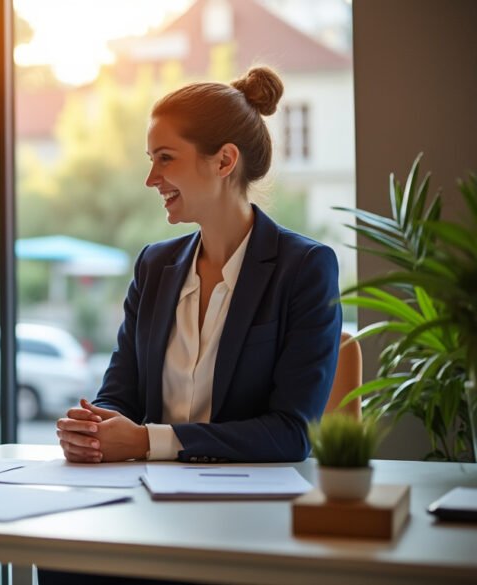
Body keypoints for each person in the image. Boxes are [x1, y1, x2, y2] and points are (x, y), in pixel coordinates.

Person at [44, 67, 341, 584]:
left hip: (248, 527)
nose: (151, 179)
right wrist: (98, 426)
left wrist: (146, 442)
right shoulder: (155, 266)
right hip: (148, 510)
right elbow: (121, 392)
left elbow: (292, 433)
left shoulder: (305, 268)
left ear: (225, 160)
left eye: (165, 159)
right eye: (150, 161)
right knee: (63, 560)